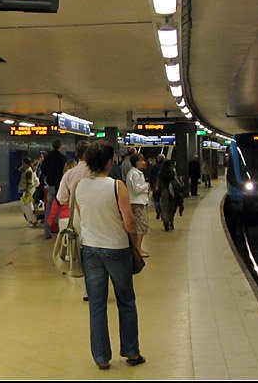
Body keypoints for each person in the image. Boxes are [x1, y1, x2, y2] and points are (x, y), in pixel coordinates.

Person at [75, 140, 145, 370]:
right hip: (116, 249)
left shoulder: (80, 186)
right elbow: (128, 221)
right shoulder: (116, 186)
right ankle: (131, 352)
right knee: (126, 301)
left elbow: (81, 216)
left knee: (96, 305)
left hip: (90, 250)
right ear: (108, 162)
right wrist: (133, 239)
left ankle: (101, 357)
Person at [53, 139, 91, 301]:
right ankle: (98, 285)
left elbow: (61, 198)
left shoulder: (69, 174)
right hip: (93, 216)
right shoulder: (96, 172)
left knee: (77, 253)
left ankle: (86, 291)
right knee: (94, 252)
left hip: (73, 216)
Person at [40, 139, 68, 240]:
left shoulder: (47, 157)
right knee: (62, 207)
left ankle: (47, 231)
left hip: (51, 185)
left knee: (49, 208)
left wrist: (48, 177)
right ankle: (61, 229)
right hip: (60, 185)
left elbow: (43, 169)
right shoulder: (63, 158)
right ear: (60, 146)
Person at [126, 153, 151, 257]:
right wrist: (146, 186)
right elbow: (136, 189)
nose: (144, 163)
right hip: (137, 203)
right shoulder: (134, 174)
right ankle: (137, 249)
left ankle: (138, 248)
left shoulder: (136, 173)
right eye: (142, 160)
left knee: (141, 226)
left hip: (140, 202)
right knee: (141, 226)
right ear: (136, 162)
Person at [157, 159, 177, 231]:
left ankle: (166, 220)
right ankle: (171, 222)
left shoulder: (161, 173)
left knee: (164, 207)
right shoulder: (172, 171)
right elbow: (175, 180)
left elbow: (158, 183)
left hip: (164, 191)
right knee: (171, 207)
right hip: (172, 191)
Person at [19, 157, 39, 226]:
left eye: (23, 163)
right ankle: (32, 220)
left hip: (28, 191)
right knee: (26, 206)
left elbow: (29, 182)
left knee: (28, 206)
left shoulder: (28, 171)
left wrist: (27, 191)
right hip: (28, 190)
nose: (22, 164)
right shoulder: (28, 170)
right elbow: (20, 169)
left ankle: (33, 220)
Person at [149, 154, 164, 220]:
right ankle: (162, 210)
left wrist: (151, 185)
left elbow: (151, 177)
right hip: (164, 186)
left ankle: (158, 209)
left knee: (156, 199)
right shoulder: (165, 167)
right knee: (163, 199)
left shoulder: (154, 167)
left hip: (156, 186)